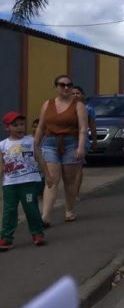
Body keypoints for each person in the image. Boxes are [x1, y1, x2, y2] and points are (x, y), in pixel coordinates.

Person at [33, 74, 88, 226]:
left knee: (69, 180)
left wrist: (81, 147)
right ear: (56, 87)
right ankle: (45, 216)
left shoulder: (78, 105)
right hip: (50, 143)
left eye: (69, 85)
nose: (66, 88)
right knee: (51, 180)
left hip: (71, 143)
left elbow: (83, 129)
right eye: (62, 85)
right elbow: (41, 126)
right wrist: (34, 145)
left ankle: (69, 209)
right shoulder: (47, 104)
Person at [0, 112, 53, 250]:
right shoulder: (3, 145)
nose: (20, 128)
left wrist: (47, 175)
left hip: (28, 182)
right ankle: (6, 238)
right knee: (9, 210)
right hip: (10, 184)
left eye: (22, 124)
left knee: (31, 208)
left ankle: (37, 233)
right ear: (7, 127)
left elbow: (40, 158)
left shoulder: (30, 141)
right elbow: (1, 166)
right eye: (15, 125)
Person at [71, 86, 97, 201]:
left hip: (82, 140)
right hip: (67, 139)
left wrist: (94, 141)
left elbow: (92, 126)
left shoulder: (88, 109)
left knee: (78, 166)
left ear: (82, 95)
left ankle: (75, 193)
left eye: (78, 93)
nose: (75, 95)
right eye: (73, 93)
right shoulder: (65, 107)